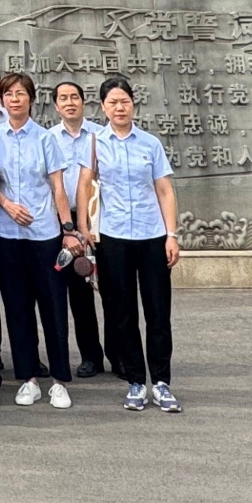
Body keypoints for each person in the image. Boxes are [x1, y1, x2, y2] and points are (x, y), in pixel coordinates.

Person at [76, 77, 182, 414]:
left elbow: (164, 189)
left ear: (133, 104)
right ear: (103, 107)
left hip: (151, 236)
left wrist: (171, 234)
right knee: (121, 312)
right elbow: (85, 185)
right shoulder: (95, 142)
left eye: (124, 101)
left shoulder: (150, 143)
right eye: (112, 102)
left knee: (157, 312)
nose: (119, 108)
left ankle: (161, 382)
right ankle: (136, 380)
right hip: (113, 237)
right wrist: (83, 228)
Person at [0, 71, 78, 411]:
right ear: (2, 100)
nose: (14, 99)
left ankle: (59, 380)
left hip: (43, 234)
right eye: (9, 94)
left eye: (21, 93)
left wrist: (67, 228)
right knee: (17, 307)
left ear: (31, 99)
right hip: (6, 234)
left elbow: (58, 187)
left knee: (53, 306)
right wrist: (7, 205)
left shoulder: (45, 138)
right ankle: (28, 378)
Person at [47, 79, 107, 378]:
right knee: (77, 292)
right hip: (61, 220)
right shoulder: (48, 138)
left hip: (97, 219)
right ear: (56, 106)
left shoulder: (100, 135)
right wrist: (67, 226)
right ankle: (90, 356)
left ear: (84, 102)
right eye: (63, 98)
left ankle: (121, 355)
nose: (69, 103)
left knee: (109, 290)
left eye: (74, 97)